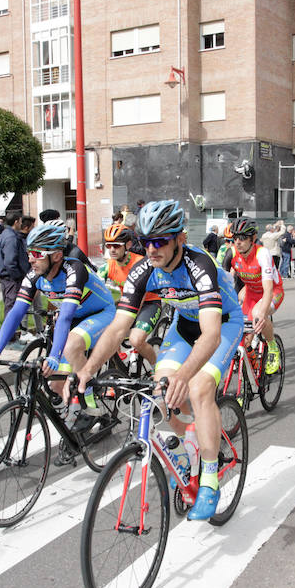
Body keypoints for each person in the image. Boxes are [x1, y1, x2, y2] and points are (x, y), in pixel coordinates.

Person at [70, 200, 244, 520]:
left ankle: (208, 478)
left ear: (179, 238)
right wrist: (88, 368)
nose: (152, 249)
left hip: (223, 323)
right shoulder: (144, 270)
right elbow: (119, 327)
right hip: (183, 326)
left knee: (200, 387)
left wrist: (185, 375)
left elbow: (211, 335)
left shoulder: (198, 264)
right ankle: (189, 440)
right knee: (159, 396)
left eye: (160, 241)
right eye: (146, 242)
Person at [0, 220, 115, 414]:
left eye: (37, 255)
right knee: (56, 384)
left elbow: (64, 319)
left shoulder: (74, 270)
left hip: (101, 313)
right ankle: (79, 419)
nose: (30, 260)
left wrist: (54, 356)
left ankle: (90, 404)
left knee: (71, 346)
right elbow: (16, 313)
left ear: (56, 256)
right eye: (30, 253)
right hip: (75, 319)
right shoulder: (34, 276)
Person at [222, 216, 284, 373]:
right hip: (251, 292)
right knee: (244, 338)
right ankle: (250, 376)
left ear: (253, 239)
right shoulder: (231, 254)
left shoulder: (262, 253)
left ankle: (272, 347)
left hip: (272, 291)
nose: (238, 242)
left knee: (258, 315)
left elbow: (268, 289)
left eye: (243, 238)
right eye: (235, 238)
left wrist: (262, 313)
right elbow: (223, 285)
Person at [97, 224, 159, 367]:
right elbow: (98, 291)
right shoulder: (108, 266)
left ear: (128, 244)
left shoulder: (141, 263)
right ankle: (115, 372)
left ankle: (157, 368)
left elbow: (142, 293)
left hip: (149, 303)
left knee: (136, 340)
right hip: (128, 302)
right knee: (106, 335)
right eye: (109, 245)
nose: (112, 249)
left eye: (117, 246)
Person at [0, 212, 30, 321]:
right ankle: (11, 336)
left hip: (8, 277)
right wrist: (18, 276)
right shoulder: (11, 237)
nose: (21, 224)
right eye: (20, 221)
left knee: (11, 305)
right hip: (11, 278)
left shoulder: (6, 234)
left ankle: (11, 335)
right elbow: (10, 262)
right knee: (11, 306)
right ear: (16, 222)